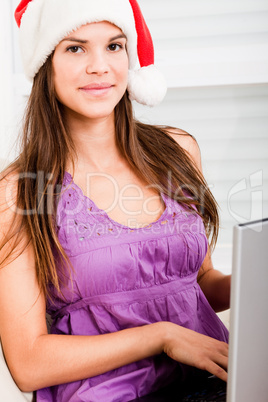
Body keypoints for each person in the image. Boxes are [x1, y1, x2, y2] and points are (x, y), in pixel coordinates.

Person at [0, 0, 231, 401]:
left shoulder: (177, 151)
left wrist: (254, 282)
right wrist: (161, 337)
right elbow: (29, 363)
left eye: (114, 46)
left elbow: (196, 286)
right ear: (45, 65)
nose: (100, 67)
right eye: (75, 48)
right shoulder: (20, 192)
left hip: (210, 382)